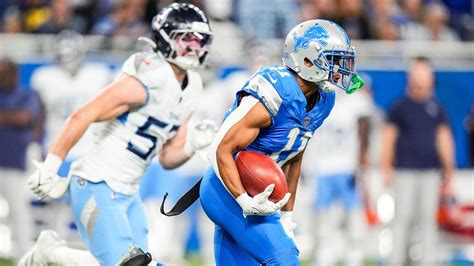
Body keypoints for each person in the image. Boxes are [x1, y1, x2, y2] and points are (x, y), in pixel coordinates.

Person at [19, 3, 216, 265]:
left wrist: (192, 144)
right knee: (129, 265)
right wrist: (52, 165)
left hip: (129, 192)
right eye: (186, 38)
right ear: (166, 38)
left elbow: (169, 158)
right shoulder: (151, 76)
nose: (194, 46)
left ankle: (52, 254)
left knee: (131, 262)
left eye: (199, 39)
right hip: (96, 182)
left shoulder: (193, 87)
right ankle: (51, 254)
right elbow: (83, 114)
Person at [200, 19, 364, 265]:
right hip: (227, 190)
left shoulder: (324, 99)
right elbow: (219, 149)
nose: (340, 69)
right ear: (307, 61)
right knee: (285, 260)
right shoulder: (276, 91)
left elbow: (293, 159)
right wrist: (245, 200)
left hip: (260, 194)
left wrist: (287, 218)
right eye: (333, 60)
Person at [381, 56, 455, 266]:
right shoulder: (399, 107)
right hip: (404, 172)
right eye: (417, 73)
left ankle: (428, 262)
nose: (421, 78)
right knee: (402, 220)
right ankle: (396, 261)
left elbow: (444, 139)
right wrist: (386, 168)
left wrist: (449, 172)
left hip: (430, 173)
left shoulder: (436, 108)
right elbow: (388, 139)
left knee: (427, 222)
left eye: (424, 73)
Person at [302, 86, 373, 266]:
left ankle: (353, 256)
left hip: (346, 167)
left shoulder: (356, 101)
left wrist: (361, 162)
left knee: (353, 219)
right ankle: (326, 255)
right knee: (324, 221)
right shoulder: (318, 98)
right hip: (323, 167)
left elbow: (364, 130)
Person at [0, 58, 42, 260]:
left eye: (5, 73)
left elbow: (24, 117)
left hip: (14, 162)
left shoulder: (25, 95)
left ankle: (25, 254)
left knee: (19, 211)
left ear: (14, 73)